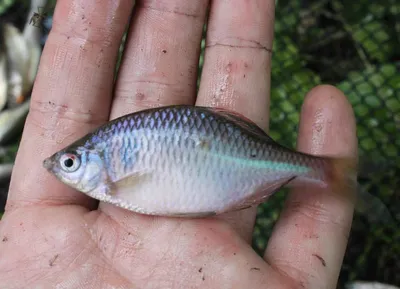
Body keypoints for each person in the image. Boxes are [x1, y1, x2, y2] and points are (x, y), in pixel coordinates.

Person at [0, 0, 357, 288]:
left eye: (71, 163)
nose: (60, 167)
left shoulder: (116, 172)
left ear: (97, 157)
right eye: (68, 162)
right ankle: (328, 173)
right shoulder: (114, 166)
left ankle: (329, 173)